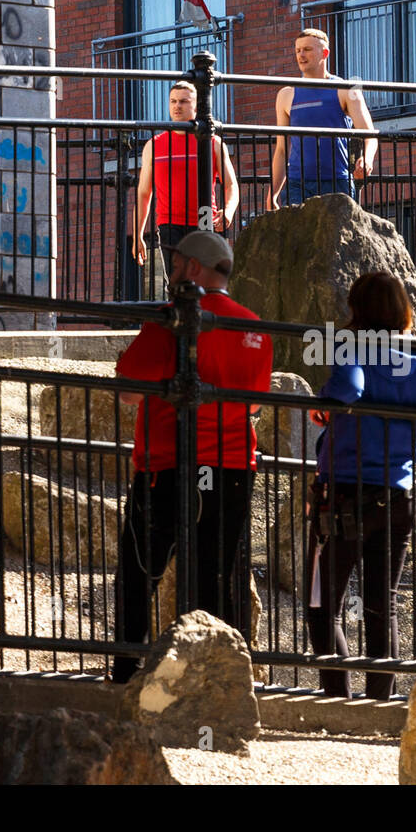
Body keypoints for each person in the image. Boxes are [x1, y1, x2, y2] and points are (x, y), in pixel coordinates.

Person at [304, 273, 416, 699]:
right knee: (380, 605)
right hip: (398, 496)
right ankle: (378, 702)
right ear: (404, 312)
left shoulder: (353, 349)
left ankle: (337, 697)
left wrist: (327, 402)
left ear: (357, 311)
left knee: (322, 605)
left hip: (344, 495)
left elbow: (349, 387)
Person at [111, 230, 273, 683]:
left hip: (167, 465)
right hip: (234, 467)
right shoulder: (254, 327)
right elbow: (254, 404)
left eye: (177, 263)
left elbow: (127, 390)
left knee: (140, 571)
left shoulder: (171, 320)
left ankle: (126, 673)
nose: (171, 271)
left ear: (195, 269)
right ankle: (215, 680)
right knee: (216, 576)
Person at [129, 81, 240, 299]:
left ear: (196, 107)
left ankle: (205, 329)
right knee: (177, 284)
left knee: (206, 284)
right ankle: (182, 330)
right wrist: (137, 235)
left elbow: (231, 185)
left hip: (205, 219)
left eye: (183, 101)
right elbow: (143, 194)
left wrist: (228, 211)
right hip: (169, 222)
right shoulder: (154, 145)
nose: (177, 106)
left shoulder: (213, 142)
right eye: (173, 101)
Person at [270, 28, 378, 208]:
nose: (301, 55)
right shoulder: (286, 95)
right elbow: (281, 150)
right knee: (299, 236)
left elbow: (370, 134)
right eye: (298, 50)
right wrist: (272, 194)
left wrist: (367, 159)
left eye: (307, 49)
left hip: (336, 180)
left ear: (325, 53)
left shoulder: (345, 89)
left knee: (338, 236)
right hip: (297, 182)